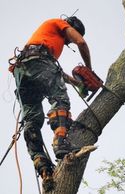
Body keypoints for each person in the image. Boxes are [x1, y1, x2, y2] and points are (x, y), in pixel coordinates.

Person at [9, 16, 92, 185]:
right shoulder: (59, 23)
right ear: (71, 26)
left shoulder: (47, 39)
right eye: (70, 37)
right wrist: (89, 70)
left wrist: (78, 83)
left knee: (32, 121)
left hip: (23, 70)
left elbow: (53, 72)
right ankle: (60, 142)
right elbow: (81, 43)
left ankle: (45, 170)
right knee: (60, 101)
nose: (69, 42)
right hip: (38, 61)